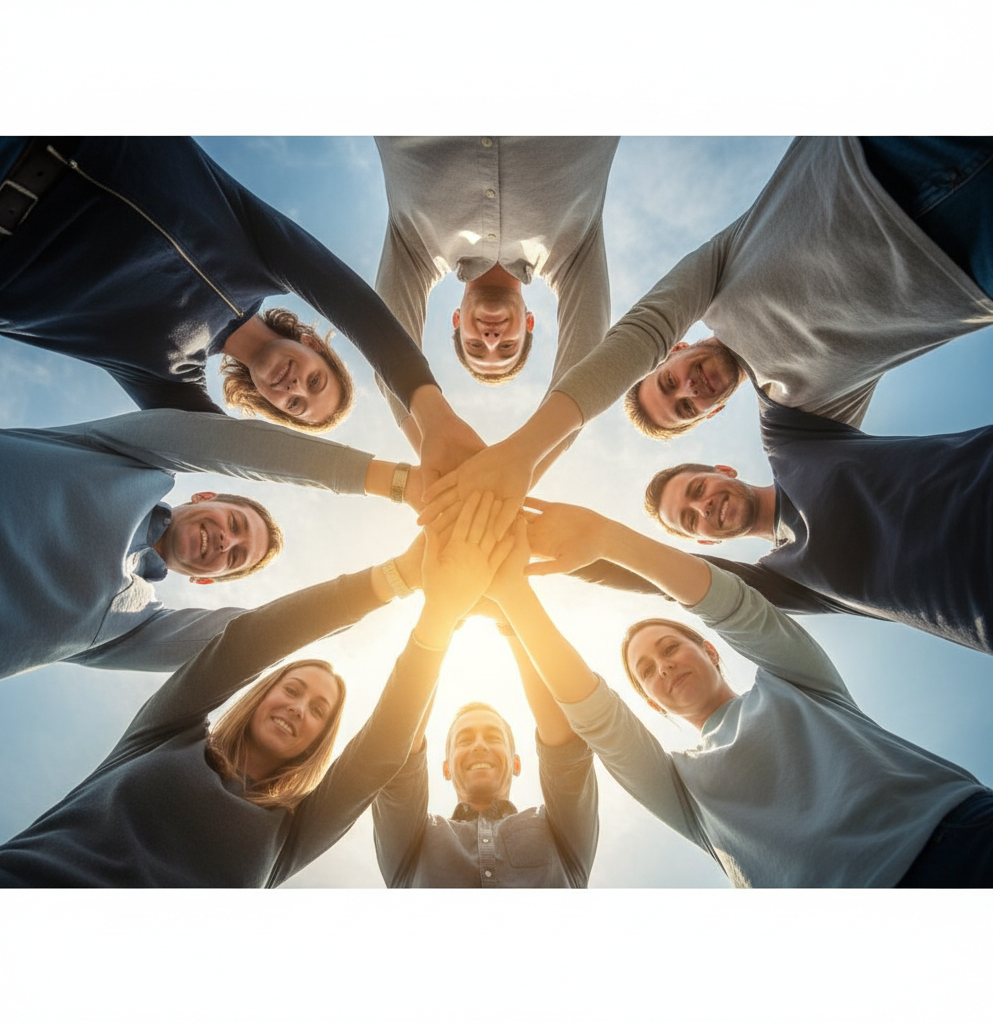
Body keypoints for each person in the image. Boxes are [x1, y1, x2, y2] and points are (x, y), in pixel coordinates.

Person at [419, 137, 993, 518]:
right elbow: (807, 511)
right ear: (713, 415)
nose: (691, 390)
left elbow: (637, 333)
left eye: (669, 382)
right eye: (689, 407)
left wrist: (523, 456)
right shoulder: (805, 405)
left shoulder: (714, 283)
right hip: (970, 269)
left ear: (678, 348)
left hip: (877, 150)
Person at [0, 493, 516, 886]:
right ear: (261, 694)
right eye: (293, 689)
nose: (299, 708)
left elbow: (382, 750)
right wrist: (397, 576)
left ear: (318, 742)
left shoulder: (293, 832)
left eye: (319, 711)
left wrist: (440, 619)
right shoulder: (168, 733)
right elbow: (248, 642)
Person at [487, 512, 993, 887]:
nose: (663, 666)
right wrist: (514, 595)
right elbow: (599, 719)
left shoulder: (792, 680)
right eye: (646, 672)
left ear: (708, 650)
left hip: (961, 833)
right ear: (652, 703)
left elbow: (735, 607)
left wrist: (607, 538)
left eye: (670, 648)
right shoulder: (679, 785)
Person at [0, 137, 482, 478]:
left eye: (295, 406)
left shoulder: (168, 381)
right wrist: (430, 414)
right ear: (310, 344)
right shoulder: (263, 259)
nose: (294, 389)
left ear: (265, 406)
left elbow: (224, 450)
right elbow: (351, 300)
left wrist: (390, 483)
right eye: (315, 381)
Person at [0, 407, 427, 690]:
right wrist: (398, 482)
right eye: (235, 523)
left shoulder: (132, 625)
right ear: (205, 495)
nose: (227, 540)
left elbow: (255, 636)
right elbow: (235, 446)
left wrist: (398, 577)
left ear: (206, 579)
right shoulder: (133, 462)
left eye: (234, 555)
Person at [550, 396, 993, 655]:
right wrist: (551, 550)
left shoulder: (791, 440)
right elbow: (656, 575)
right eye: (690, 519)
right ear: (701, 538)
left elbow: (775, 342)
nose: (703, 507)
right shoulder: (782, 578)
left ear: (723, 469)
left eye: (697, 489)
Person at [372, 136, 619, 460]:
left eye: (475, 345)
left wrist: (428, 444)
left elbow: (385, 348)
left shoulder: (416, 249)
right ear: (529, 322)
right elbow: (588, 363)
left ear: (457, 319)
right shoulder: (572, 252)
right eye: (507, 347)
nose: (490, 339)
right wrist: (525, 462)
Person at [371, 603, 599, 887]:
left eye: (493, 737)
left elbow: (566, 750)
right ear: (446, 768)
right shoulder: (413, 838)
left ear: (516, 762)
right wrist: (442, 621)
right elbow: (398, 751)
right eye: (464, 740)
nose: (479, 745)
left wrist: (510, 622)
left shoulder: (559, 829)